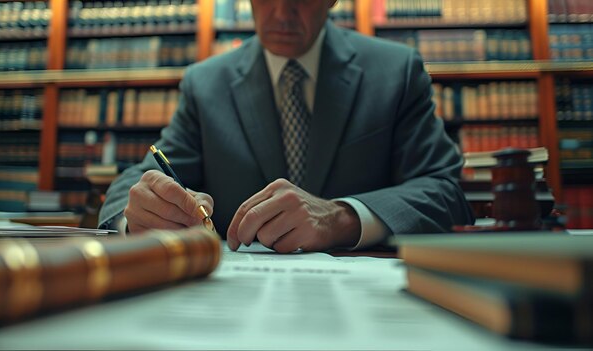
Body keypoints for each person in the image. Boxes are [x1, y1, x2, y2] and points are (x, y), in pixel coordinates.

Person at [98, 0, 475, 253]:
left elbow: (446, 194)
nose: (281, 13)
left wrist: (342, 217)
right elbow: (138, 182)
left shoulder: (396, 72)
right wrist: (136, 217)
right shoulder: (206, 83)